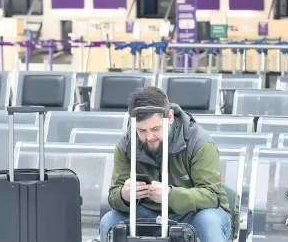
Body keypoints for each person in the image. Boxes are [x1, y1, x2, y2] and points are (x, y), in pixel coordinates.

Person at [99, 86, 235, 242]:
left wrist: (171, 195)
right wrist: (124, 195)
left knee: (208, 221)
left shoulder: (199, 142)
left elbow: (212, 196)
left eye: (156, 128)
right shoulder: (126, 145)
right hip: (147, 212)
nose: (149, 137)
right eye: (141, 130)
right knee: (109, 221)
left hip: (194, 213)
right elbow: (113, 194)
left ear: (170, 117)